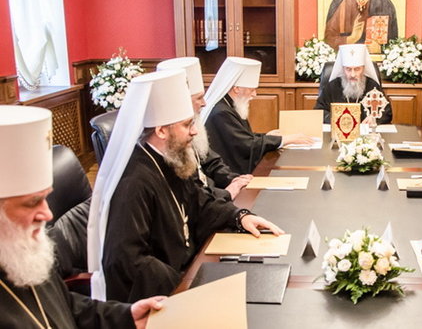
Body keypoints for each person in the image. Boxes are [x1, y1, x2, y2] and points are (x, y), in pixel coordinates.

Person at [87, 69, 284, 303]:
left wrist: (239, 216)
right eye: (186, 124)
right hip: (159, 295)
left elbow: (199, 201)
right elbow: (126, 259)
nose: (195, 131)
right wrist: (183, 285)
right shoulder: (134, 182)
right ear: (161, 130)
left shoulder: (172, 158)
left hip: (189, 269)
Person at [0, 105, 163, 328]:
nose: (47, 214)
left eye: (46, 198)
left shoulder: (18, 251)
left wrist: (126, 315)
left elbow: (65, 307)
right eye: (31, 203)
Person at [157, 57, 252, 200]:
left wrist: (234, 180)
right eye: (199, 98)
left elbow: (211, 161)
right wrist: (227, 193)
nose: (204, 103)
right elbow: (190, 191)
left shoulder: (193, 128)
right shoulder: (168, 142)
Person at [201, 57, 314, 175]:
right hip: (227, 175)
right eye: (252, 90)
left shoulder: (230, 105)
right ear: (236, 89)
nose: (255, 94)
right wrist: (285, 140)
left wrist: (267, 136)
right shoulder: (221, 112)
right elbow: (245, 145)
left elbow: (243, 137)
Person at [314, 44, 393, 124]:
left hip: (365, 134)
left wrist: (374, 119)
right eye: (348, 69)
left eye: (357, 69)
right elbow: (319, 111)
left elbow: (387, 113)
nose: (352, 74)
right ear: (343, 69)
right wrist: (335, 119)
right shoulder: (332, 87)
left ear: (363, 69)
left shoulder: (373, 86)